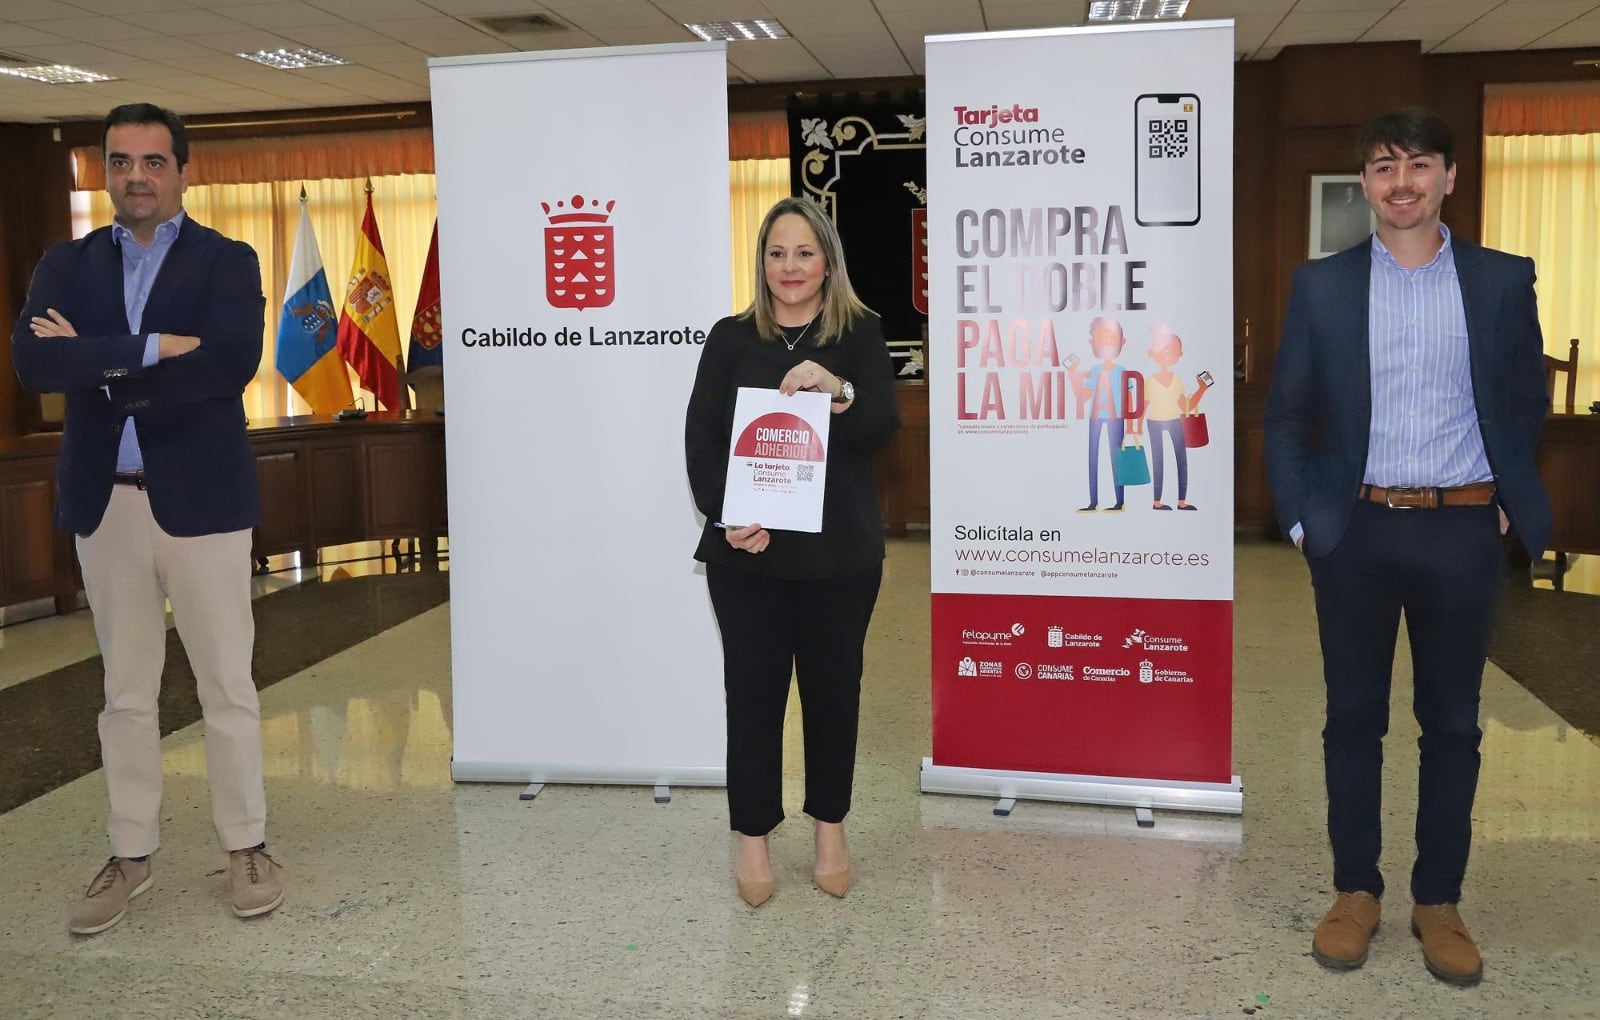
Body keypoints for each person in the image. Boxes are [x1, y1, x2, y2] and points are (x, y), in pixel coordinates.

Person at [1263, 107, 1551, 986]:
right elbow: (1286, 414)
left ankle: (1438, 899)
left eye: (1419, 166)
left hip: (1462, 528)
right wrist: (1307, 520)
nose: (1402, 184)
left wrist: (1502, 495)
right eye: (1384, 168)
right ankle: (1356, 890)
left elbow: (1524, 396)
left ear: (1449, 178)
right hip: (1356, 530)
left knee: (1453, 724)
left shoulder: (1502, 281)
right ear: (1366, 185)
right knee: (1353, 718)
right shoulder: (1324, 285)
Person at [11, 102, 283, 934]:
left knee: (226, 687)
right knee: (124, 694)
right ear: (105, 168)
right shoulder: (67, 263)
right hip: (108, 505)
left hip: (202, 505)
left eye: (153, 162)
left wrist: (95, 360)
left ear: (182, 170)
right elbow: (33, 361)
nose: (136, 176)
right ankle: (131, 855)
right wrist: (152, 346)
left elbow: (231, 363)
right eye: (121, 161)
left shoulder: (225, 261)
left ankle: (247, 844)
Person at [684, 197, 900, 907]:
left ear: (827, 261)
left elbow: (879, 428)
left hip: (839, 559)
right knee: (750, 698)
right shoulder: (728, 337)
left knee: (834, 697)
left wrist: (833, 385)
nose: (790, 267)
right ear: (762, 262)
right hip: (747, 559)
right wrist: (727, 514)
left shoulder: (859, 333)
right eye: (777, 253)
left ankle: (830, 834)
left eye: (804, 252)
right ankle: (752, 842)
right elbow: (702, 441)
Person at [1141, 323, 1211, 511]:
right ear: (1153, 353)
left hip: (1175, 420)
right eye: (1162, 349)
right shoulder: (1150, 381)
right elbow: (1144, 405)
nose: (1167, 354)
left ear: (1180, 354)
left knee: (1181, 458)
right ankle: (1157, 501)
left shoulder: (1177, 380)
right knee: (1158, 460)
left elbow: (1186, 406)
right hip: (1154, 421)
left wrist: (1202, 389)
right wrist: (1136, 425)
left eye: (1172, 350)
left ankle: (1182, 501)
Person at [1068, 316, 1131, 512]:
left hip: (1116, 416)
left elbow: (1128, 395)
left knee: (1116, 459)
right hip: (1095, 416)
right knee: (1092, 457)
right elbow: (1084, 395)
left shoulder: (1122, 370)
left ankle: (1119, 501)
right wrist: (1072, 375)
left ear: (1122, 342)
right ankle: (1093, 501)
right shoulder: (1095, 370)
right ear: (1093, 343)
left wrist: (1131, 423)